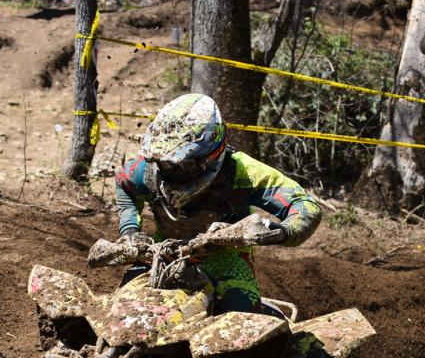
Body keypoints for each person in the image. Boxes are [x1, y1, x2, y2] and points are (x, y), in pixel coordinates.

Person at [115, 93, 322, 314]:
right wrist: (130, 230)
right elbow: (123, 184)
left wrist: (282, 231)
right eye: (163, 163)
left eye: (181, 165)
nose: (170, 170)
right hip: (162, 251)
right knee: (120, 307)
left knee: (242, 318)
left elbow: (304, 205)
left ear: (210, 156)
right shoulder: (145, 171)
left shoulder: (244, 173)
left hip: (226, 257)